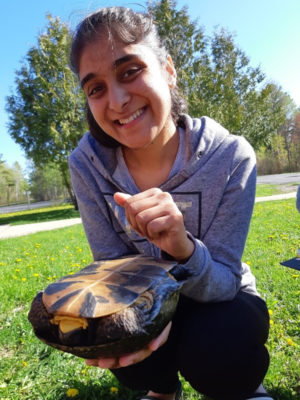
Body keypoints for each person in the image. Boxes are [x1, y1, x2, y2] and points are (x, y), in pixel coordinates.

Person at [68, 6, 273, 400]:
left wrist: (182, 248)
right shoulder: (86, 165)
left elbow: (225, 281)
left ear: (168, 69)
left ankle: (246, 386)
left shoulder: (231, 157)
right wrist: (140, 323)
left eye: (130, 71)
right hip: (144, 295)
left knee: (220, 343)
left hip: (222, 298)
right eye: (96, 88)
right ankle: (162, 390)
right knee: (121, 340)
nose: (117, 100)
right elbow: (110, 268)